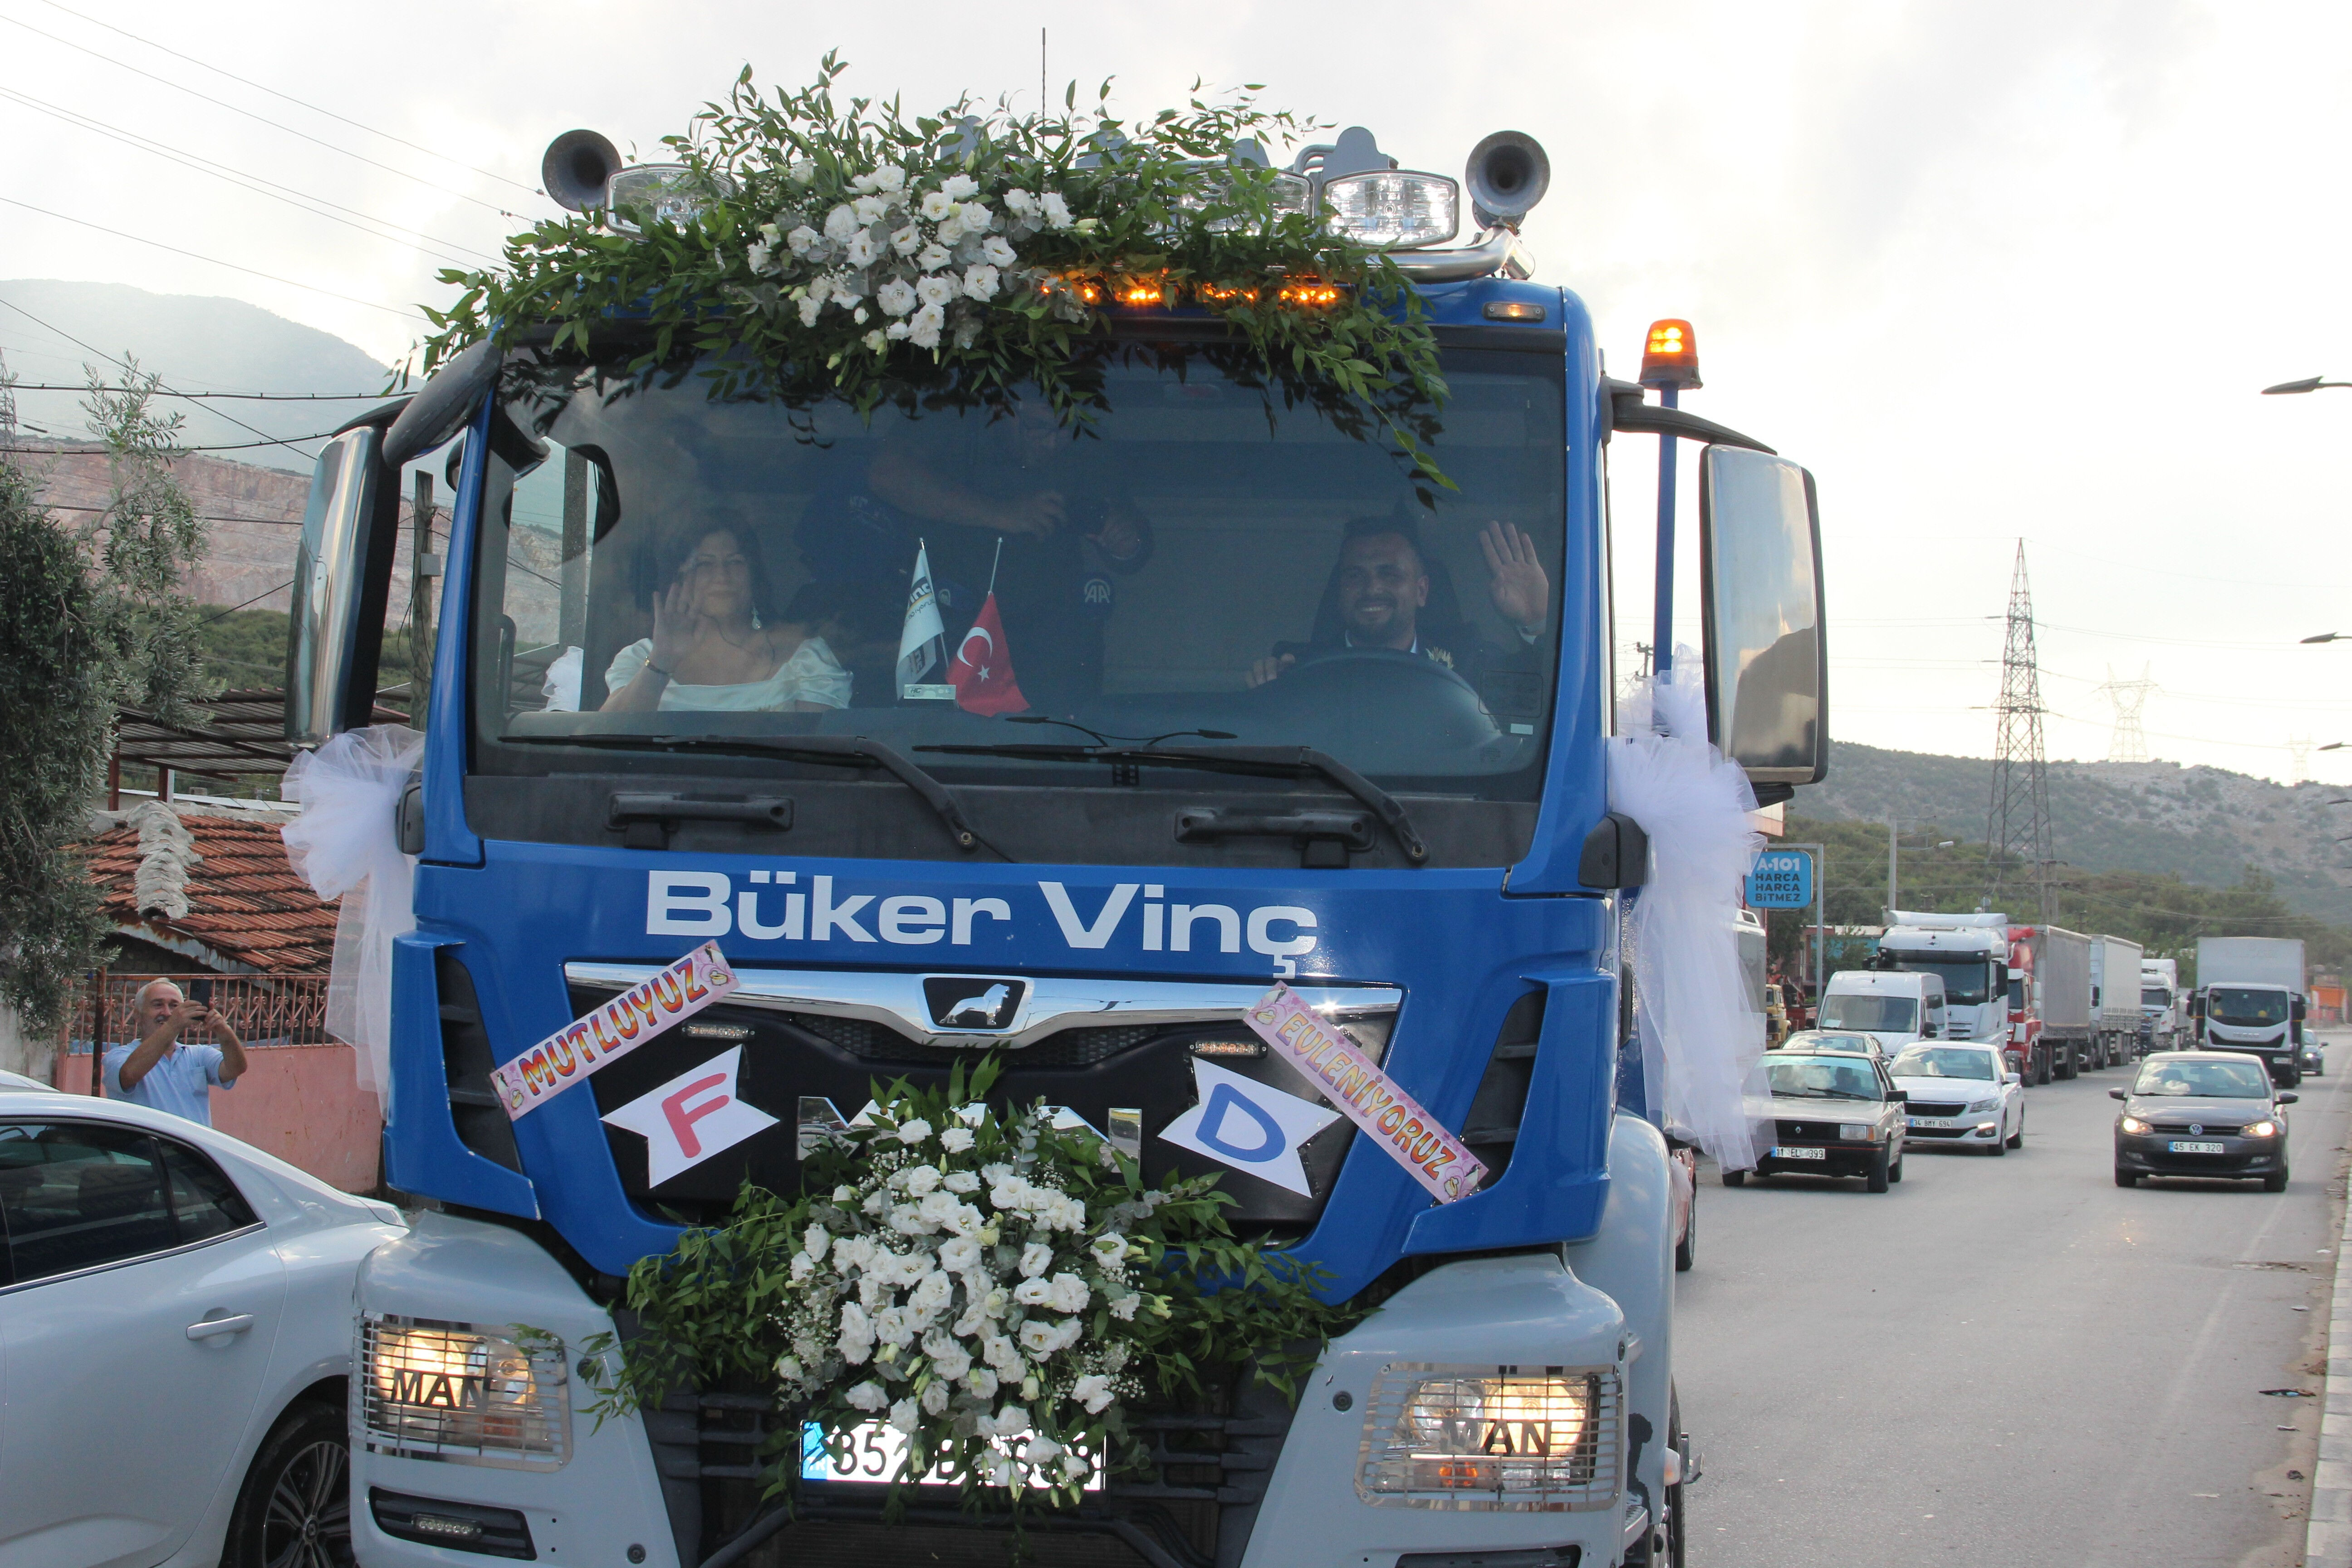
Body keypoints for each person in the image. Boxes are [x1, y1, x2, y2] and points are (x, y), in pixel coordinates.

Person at [861, 398, 1155, 706]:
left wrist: (1125, 540)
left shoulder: (1087, 444)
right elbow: (888, 475)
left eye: (1066, 429)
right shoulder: (955, 415)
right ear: (1008, 408)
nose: (1055, 440)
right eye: (1040, 427)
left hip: (1046, 651)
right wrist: (1003, 514)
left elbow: (1126, 532)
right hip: (946, 633)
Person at [1247, 516, 1550, 688]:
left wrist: (1535, 622)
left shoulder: (1469, 661)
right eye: (1355, 576)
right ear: (1340, 591)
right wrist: (1266, 696)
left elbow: (1543, 698)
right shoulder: (1299, 671)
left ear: (1422, 591)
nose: (1372, 588)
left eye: (1389, 574)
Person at [603, 527, 852, 712]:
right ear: (681, 579)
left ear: (754, 577)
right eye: (705, 564)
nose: (722, 575)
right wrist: (663, 660)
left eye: (735, 562)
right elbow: (610, 739)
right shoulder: (641, 658)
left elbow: (820, 761)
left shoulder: (805, 657)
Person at [104, 978, 245, 1127]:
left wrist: (224, 1031)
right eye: (158, 1005)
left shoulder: (199, 1054)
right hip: (144, 1150)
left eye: (174, 1006)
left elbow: (236, 1069)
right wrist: (173, 1024)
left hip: (192, 1149)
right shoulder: (118, 1056)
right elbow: (129, 1074)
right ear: (138, 1015)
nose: (167, 1013)